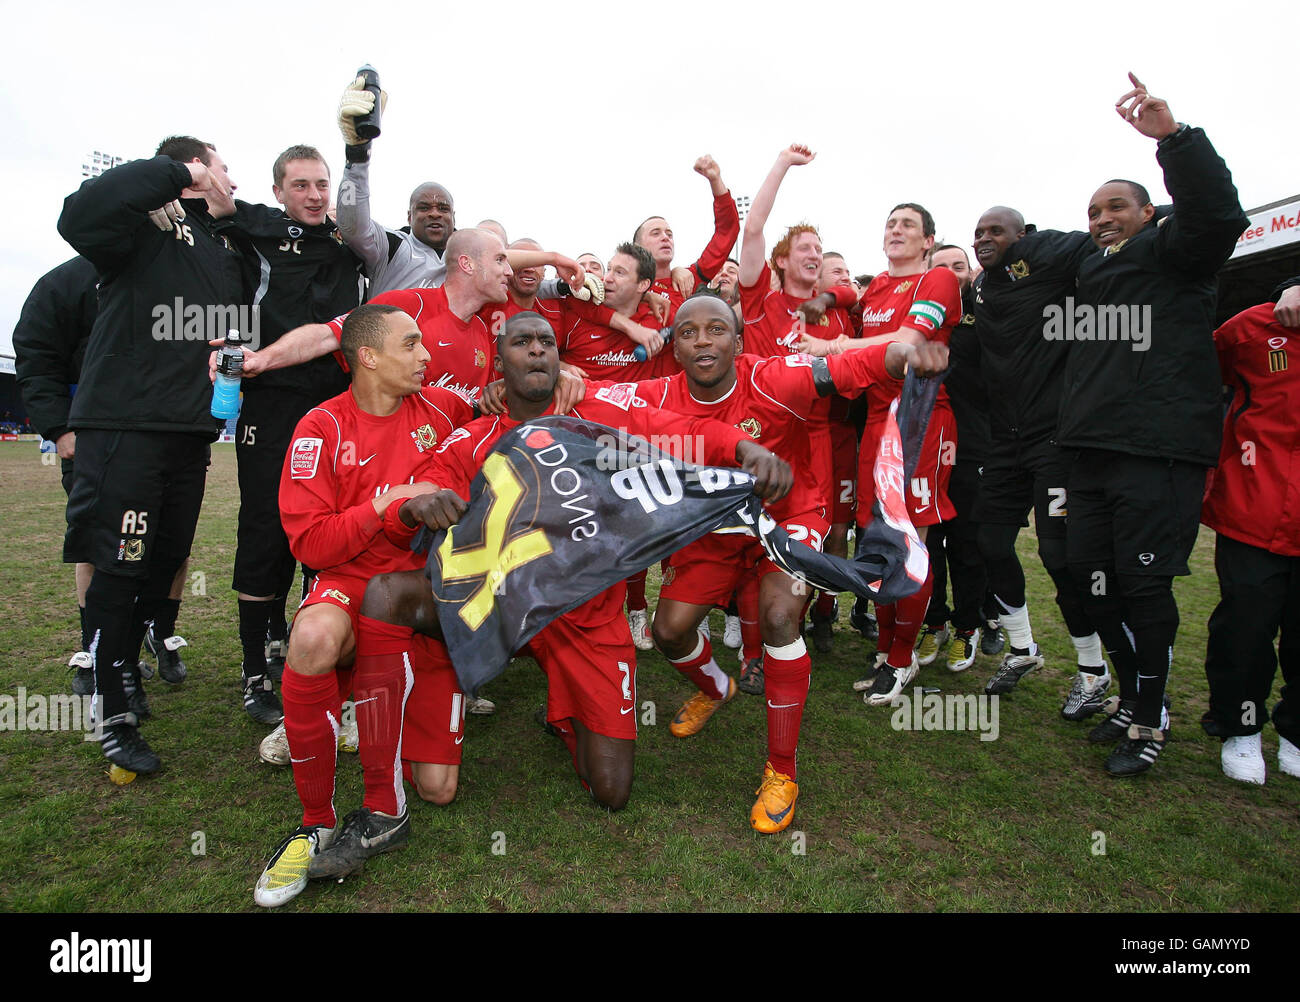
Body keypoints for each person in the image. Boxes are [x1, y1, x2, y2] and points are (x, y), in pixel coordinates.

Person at [348, 310, 790, 831]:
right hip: (501, 605)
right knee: (387, 594)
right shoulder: (474, 435)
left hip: (587, 617)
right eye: (522, 342)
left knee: (611, 792)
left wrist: (745, 446)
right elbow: (427, 484)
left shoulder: (597, 418)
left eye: (546, 342)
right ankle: (381, 795)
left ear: (561, 359)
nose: (536, 350)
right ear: (500, 360)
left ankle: (565, 712)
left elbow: (682, 430)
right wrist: (421, 505)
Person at [640, 294, 949, 833]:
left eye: (717, 330)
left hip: (788, 519)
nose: (704, 341)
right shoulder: (656, 394)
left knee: (781, 615)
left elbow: (848, 365)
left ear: (738, 341)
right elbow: (590, 400)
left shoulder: (775, 378)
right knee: (668, 631)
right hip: (713, 529)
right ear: (676, 347)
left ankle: (782, 770)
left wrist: (900, 354)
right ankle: (717, 688)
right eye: (689, 333)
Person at [254, 304, 477, 906]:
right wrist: (384, 505)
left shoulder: (441, 412)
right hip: (348, 584)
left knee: (440, 788)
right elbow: (312, 542)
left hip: (420, 598)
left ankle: (388, 803)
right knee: (311, 638)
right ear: (369, 357)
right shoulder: (320, 429)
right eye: (411, 345)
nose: (427, 357)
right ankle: (316, 821)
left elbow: (501, 410)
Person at [1061, 74, 1248, 775]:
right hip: (1090, 452)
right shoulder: (1094, 275)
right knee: (1089, 577)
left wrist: (1174, 140)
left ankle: (1150, 718)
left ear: (1148, 214)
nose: (1102, 218)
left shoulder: (1176, 252)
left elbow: (1220, 214)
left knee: (1142, 587)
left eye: (1116, 207)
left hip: (1156, 453)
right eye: (1093, 211)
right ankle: (1136, 699)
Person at [57, 136, 243, 773]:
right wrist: (175, 171)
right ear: (194, 174)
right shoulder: (143, 225)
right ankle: (110, 710)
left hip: (189, 434)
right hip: (126, 428)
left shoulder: (218, 245)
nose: (231, 180)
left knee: (163, 560)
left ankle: (127, 668)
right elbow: (76, 216)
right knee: (120, 563)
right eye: (222, 168)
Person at [220, 144, 365, 729]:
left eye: (321, 184)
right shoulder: (253, 231)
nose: (313, 195)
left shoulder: (347, 242)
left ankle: (310, 653)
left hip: (335, 406)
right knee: (264, 528)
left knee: (327, 529)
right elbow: (224, 207)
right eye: (300, 185)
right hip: (272, 403)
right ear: (278, 191)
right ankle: (256, 672)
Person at [799, 201, 961, 707]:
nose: (896, 230)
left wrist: (835, 347)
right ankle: (890, 651)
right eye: (890, 223)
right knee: (879, 537)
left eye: (907, 224)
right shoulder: (875, 291)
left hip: (918, 419)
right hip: (873, 423)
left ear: (928, 239)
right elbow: (849, 294)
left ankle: (901, 656)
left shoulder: (936, 280)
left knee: (911, 539)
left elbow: (910, 341)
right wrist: (828, 296)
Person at [966, 205, 1107, 712]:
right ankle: (1023, 648)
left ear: (1022, 236)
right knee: (991, 543)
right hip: (1004, 441)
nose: (984, 238)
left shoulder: (1048, 255)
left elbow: (1106, 236)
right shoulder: (978, 290)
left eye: (995, 231)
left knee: (1060, 556)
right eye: (978, 231)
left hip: (1055, 438)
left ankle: (1093, 669)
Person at [1199, 299, 1300, 783]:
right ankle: (1240, 725)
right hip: (1255, 504)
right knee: (1246, 626)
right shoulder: (1255, 326)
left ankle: (1296, 731)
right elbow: (1196, 371)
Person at [923, 244, 998, 671]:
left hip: (973, 450)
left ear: (970, 271)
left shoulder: (985, 320)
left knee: (969, 546)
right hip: (924, 451)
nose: (950, 274)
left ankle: (968, 628)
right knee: (928, 545)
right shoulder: (918, 322)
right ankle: (934, 625)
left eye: (958, 265)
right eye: (940, 268)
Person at [335, 74, 455, 293]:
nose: (435, 213)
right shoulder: (391, 246)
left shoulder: (469, 257)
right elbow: (352, 226)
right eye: (424, 208)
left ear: (454, 217)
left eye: (443, 208)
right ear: (409, 217)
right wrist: (357, 154)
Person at [634, 155, 740, 318]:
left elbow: (727, 231)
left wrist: (715, 180)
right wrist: (644, 295)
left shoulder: (689, 281)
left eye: (669, 234)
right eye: (656, 233)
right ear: (637, 248)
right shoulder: (624, 287)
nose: (665, 237)